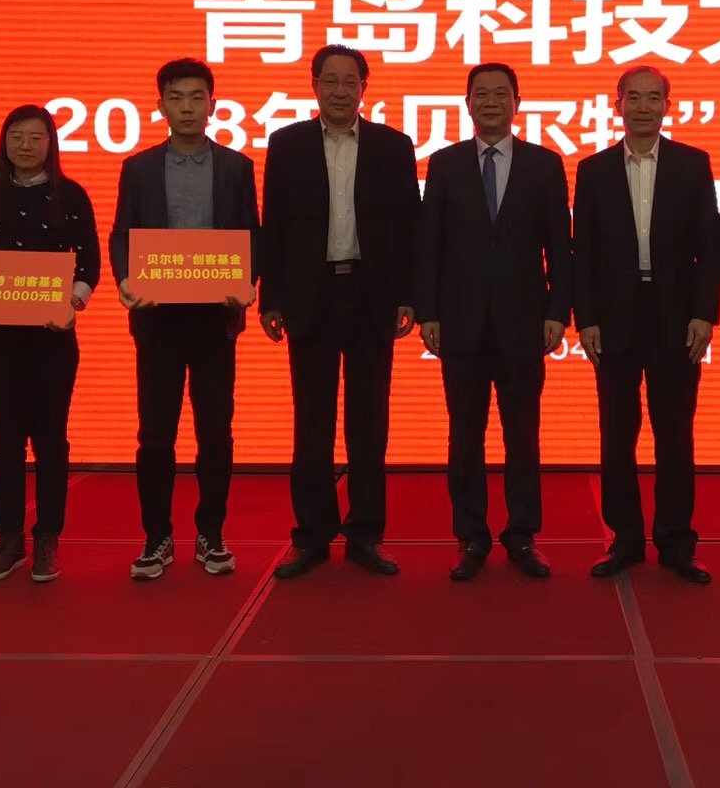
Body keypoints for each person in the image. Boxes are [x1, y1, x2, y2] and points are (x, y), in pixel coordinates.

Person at [260, 44, 420, 580]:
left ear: (363, 88)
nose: (339, 91)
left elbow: (408, 228)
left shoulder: (393, 146)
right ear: (314, 86)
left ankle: (365, 534)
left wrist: (408, 295)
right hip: (311, 296)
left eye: (350, 82)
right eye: (329, 81)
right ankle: (311, 534)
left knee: (369, 423)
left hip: (371, 294)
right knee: (312, 422)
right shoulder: (287, 145)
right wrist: (271, 297)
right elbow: (274, 224)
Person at [416, 63, 572, 581]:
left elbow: (560, 247)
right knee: (465, 434)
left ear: (517, 103)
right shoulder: (444, 164)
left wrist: (558, 311)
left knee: (522, 434)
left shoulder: (544, 165)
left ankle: (522, 535)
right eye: (480, 94)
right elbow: (429, 245)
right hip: (459, 323)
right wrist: (429, 311)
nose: (490, 102)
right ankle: (471, 536)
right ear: (467, 104)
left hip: (523, 322)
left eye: (500, 94)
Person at [109, 58, 260, 581]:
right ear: (160, 106)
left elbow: (251, 233)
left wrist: (248, 281)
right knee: (155, 435)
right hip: (158, 319)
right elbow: (122, 233)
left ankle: (211, 532)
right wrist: (126, 280)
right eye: (176, 98)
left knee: (215, 433)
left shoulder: (237, 167)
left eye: (197, 97)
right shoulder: (139, 168)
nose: (188, 107)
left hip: (215, 318)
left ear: (213, 104)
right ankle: (156, 537)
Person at [573, 66, 720, 584]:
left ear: (667, 106)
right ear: (617, 105)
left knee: (675, 431)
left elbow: (709, 246)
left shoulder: (692, 164)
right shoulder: (593, 170)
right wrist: (586, 318)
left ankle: (676, 542)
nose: (642, 107)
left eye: (652, 98)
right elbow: (582, 251)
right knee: (617, 432)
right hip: (614, 316)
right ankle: (626, 539)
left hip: (675, 315)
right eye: (632, 98)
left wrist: (704, 313)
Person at [0, 104, 100, 583]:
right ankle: (9, 537)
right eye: (17, 137)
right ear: (4, 142)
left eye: (36, 137)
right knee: (6, 440)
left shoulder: (70, 195)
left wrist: (73, 300)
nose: (26, 146)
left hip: (53, 338)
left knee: (50, 439)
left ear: (51, 143)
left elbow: (88, 261)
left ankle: (47, 536)